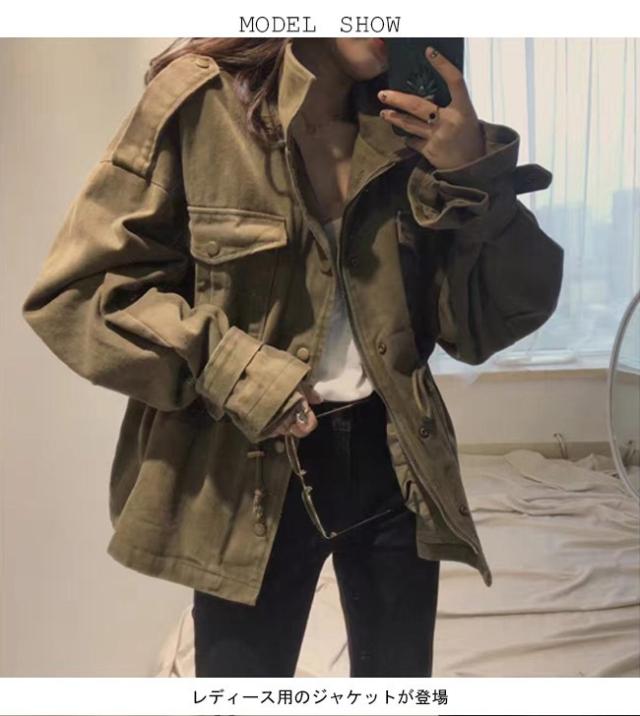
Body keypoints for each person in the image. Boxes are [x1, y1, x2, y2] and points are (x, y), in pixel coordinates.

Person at [22, 37, 564, 677]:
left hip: (393, 456)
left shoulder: (410, 133)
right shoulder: (201, 102)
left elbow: (483, 324)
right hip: (247, 464)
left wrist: (476, 179)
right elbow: (83, 293)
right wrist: (246, 376)